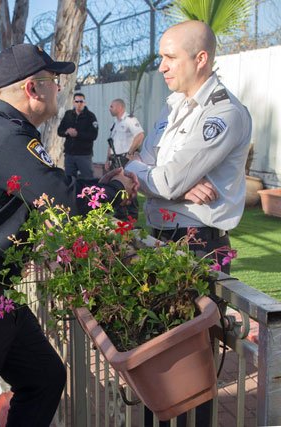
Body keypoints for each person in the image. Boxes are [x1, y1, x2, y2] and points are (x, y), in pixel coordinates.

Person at [0, 44, 137, 427]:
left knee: (44, 377)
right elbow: (66, 200)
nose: (59, 88)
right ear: (33, 89)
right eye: (54, 80)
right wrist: (118, 189)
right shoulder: (9, 137)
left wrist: (97, 184)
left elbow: (53, 186)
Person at [124, 20, 252, 426]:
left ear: (201, 59)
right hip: (160, 241)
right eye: (161, 56)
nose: (161, 66)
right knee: (154, 363)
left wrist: (157, 178)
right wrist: (162, 180)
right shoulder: (172, 106)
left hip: (196, 247)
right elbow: (150, 172)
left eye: (169, 57)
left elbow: (161, 177)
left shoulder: (224, 113)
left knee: (185, 376)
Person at [106, 99, 144, 220]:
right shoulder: (115, 122)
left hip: (124, 159)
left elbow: (140, 135)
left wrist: (130, 152)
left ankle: (132, 216)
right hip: (114, 159)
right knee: (117, 188)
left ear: (120, 107)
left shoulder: (129, 120)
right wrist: (107, 159)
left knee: (128, 187)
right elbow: (111, 142)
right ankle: (120, 215)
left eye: (112, 106)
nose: (109, 108)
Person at [57, 92, 99, 179]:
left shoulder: (90, 116)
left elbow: (93, 135)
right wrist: (67, 132)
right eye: (77, 101)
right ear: (73, 102)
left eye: (81, 101)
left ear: (85, 102)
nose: (79, 104)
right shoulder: (68, 114)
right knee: (69, 181)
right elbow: (59, 131)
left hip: (84, 155)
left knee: (88, 180)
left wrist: (78, 134)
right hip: (69, 155)